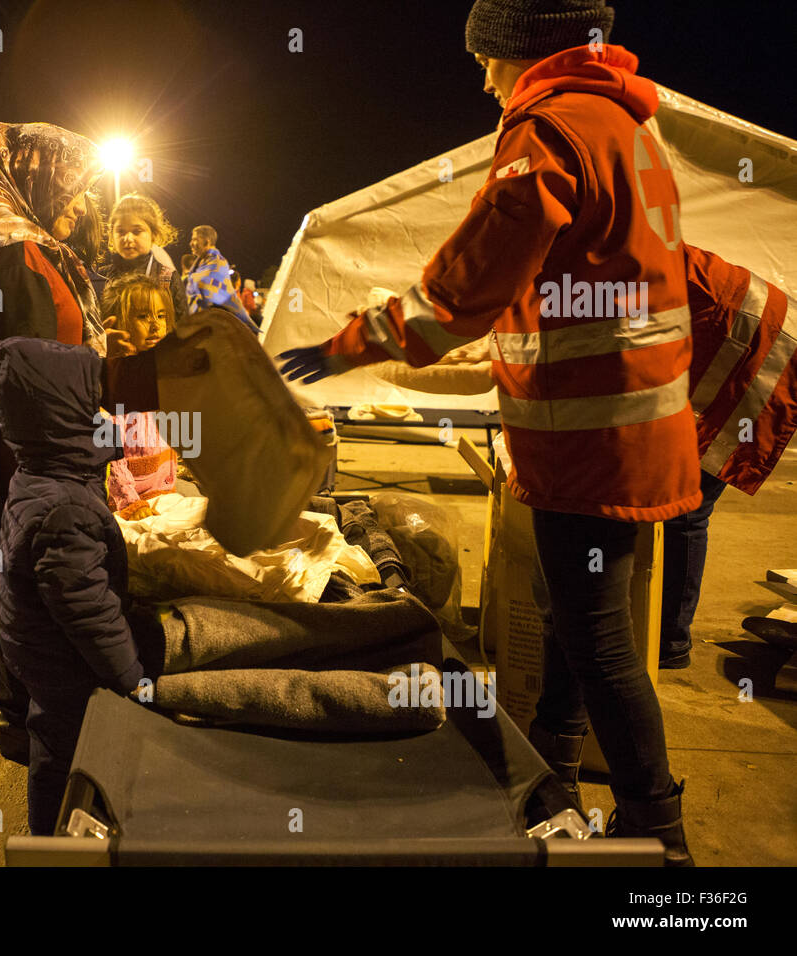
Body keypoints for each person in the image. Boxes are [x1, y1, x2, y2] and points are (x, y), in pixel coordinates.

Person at [280, 0, 696, 864]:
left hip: (592, 440)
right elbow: (559, 293)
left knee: (600, 639)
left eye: (487, 58)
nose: (481, 77)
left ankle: (659, 837)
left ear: (525, 51)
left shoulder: (548, 131)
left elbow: (465, 290)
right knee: (565, 610)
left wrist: (351, 344)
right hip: (622, 428)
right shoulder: (623, 122)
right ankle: (556, 771)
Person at [0, 121, 211, 762]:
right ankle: (19, 714)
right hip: (28, 456)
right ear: (37, 176)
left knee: (4, 573)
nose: (82, 205)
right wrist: (90, 454)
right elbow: (36, 380)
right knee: (32, 582)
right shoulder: (10, 251)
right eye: (74, 188)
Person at [0, 336, 153, 834]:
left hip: (36, 651)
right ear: (64, 416)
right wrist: (133, 679)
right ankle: (54, 844)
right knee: (67, 757)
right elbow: (90, 613)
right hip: (64, 662)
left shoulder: (38, 469)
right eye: (91, 407)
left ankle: (48, 835)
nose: (104, 416)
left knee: (52, 743)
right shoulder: (64, 507)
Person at [657, 245, 797, 669]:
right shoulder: (621, 253)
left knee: (686, 509)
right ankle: (661, 631)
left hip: (763, 359)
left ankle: (669, 641)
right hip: (748, 345)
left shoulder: (612, 272)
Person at [101, 275, 177, 513]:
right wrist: (129, 502)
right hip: (130, 507)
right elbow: (110, 456)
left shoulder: (165, 371)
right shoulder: (114, 379)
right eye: (143, 317)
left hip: (165, 496)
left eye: (161, 316)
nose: (156, 325)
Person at [102, 193, 189, 323]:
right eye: (120, 231)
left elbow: (182, 325)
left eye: (137, 231)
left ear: (153, 234)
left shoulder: (167, 277)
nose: (127, 238)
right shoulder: (103, 277)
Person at [185, 225, 256, 330]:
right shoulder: (200, 264)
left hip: (217, 328)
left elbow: (210, 298)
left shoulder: (217, 263)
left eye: (195, 239)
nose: (191, 243)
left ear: (207, 241)